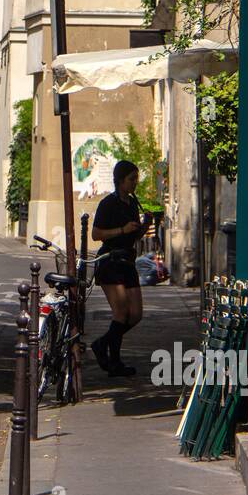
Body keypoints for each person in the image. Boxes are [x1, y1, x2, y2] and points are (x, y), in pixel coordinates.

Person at [89, 160, 149, 377]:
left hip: (127, 261)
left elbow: (134, 236)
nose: (135, 183)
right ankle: (114, 362)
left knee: (136, 315)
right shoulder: (108, 204)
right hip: (110, 261)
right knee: (121, 312)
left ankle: (101, 344)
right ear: (120, 180)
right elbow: (96, 234)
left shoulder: (132, 204)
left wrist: (145, 226)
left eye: (136, 179)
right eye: (131, 179)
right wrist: (122, 230)